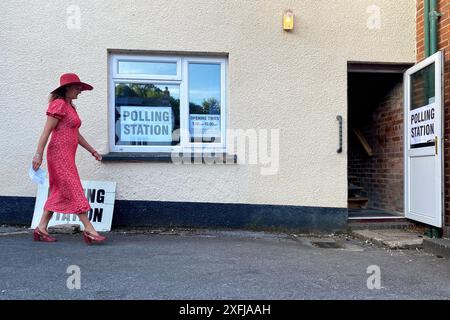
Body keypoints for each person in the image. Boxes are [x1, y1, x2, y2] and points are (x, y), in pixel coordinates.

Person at [32, 73, 106, 245]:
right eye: (76, 88)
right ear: (66, 88)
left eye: (80, 88)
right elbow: (46, 131)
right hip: (57, 154)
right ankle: (89, 228)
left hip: (67, 156)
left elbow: (76, 134)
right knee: (73, 187)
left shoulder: (70, 107)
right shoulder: (58, 105)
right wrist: (38, 154)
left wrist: (92, 151)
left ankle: (41, 228)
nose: (79, 91)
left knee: (58, 191)